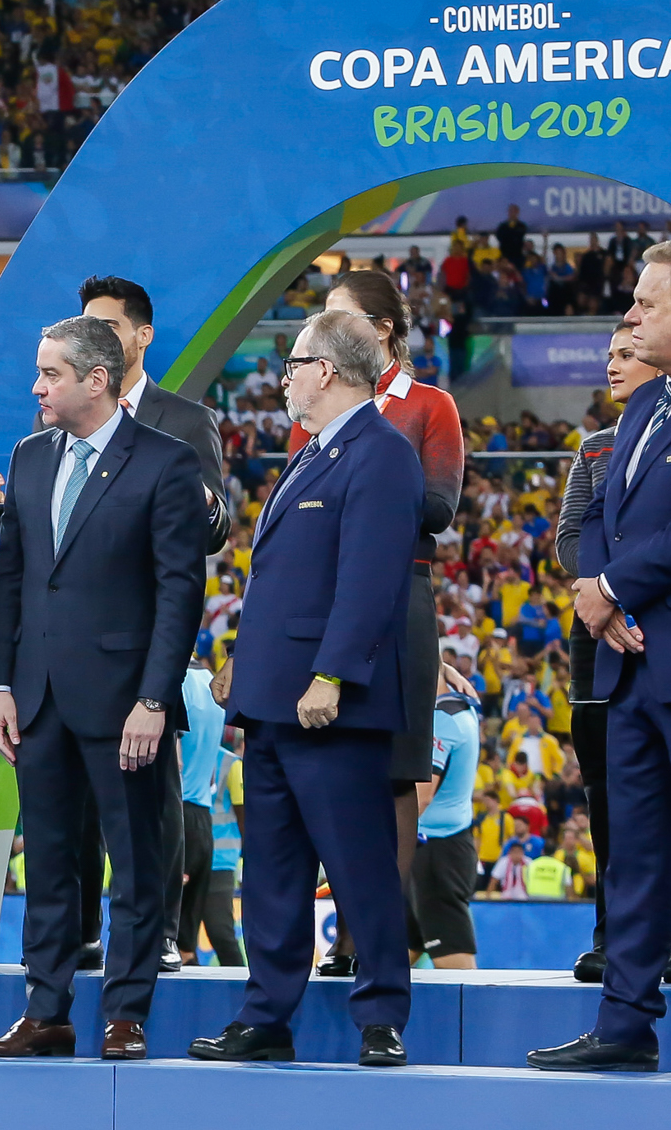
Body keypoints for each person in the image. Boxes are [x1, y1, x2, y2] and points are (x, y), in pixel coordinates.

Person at [0, 274, 226, 972]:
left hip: (128, 675)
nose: (37, 389)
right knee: (53, 852)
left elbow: (190, 569)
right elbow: (20, 572)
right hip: (45, 684)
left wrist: (154, 694)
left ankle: (137, 989)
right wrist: (3, 684)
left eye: (50, 374)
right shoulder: (35, 449)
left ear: (104, 367)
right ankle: (45, 1002)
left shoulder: (176, 434)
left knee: (139, 846)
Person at [191, 310, 420, 1069]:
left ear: (326, 369)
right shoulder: (311, 452)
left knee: (358, 864)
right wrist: (242, 662)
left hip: (330, 703)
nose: (283, 377)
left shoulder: (380, 451)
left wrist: (331, 673)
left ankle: (382, 1013)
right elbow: (279, 581)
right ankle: (266, 1013)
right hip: (270, 699)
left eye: (292, 363)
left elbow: (370, 577)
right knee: (274, 871)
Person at [533, 238, 671, 1079]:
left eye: (645, 303)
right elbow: (609, 518)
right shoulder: (645, 410)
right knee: (637, 856)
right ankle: (625, 1021)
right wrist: (604, 599)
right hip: (634, 663)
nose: (630, 315)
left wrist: (610, 584)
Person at [308, 269, 468, 978]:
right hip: (323, 593)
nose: (321, 333)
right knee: (333, 770)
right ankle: (341, 933)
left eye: (337, 319)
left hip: (402, 592)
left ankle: (364, 943)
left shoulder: (430, 405)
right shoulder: (310, 406)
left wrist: (360, 473)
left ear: (380, 331)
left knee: (397, 773)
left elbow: (437, 507)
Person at [554, 322, 671, 985]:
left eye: (623, 352)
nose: (611, 364)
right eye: (609, 353)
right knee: (607, 797)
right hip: (598, 647)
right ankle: (614, 936)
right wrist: (604, 599)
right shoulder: (593, 448)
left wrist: (619, 586)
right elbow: (571, 538)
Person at [175, 657, 242, 967]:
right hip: (203, 824)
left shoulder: (171, 684)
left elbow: (172, 761)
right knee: (186, 944)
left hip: (176, 820)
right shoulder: (211, 682)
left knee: (166, 939)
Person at [408, 685, 480, 969]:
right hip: (436, 844)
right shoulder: (462, 705)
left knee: (453, 960)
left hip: (436, 853)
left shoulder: (440, 721)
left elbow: (421, 796)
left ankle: (474, 1015)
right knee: (399, 949)